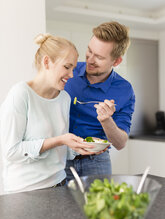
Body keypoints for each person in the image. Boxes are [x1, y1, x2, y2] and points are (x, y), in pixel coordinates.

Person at [0, 33, 95, 194]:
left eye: (73, 68)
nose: (71, 75)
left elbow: (59, 147)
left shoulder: (64, 98)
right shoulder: (21, 94)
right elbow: (11, 151)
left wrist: (81, 147)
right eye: (67, 67)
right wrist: (60, 140)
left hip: (59, 185)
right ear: (47, 62)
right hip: (24, 192)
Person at [65, 21, 135, 180]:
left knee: (99, 204)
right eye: (89, 51)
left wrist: (106, 120)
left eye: (99, 57)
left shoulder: (124, 90)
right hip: (61, 158)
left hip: (96, 161)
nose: (90, 60)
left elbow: (120, 143)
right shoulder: (69, 72)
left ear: (116, 61)